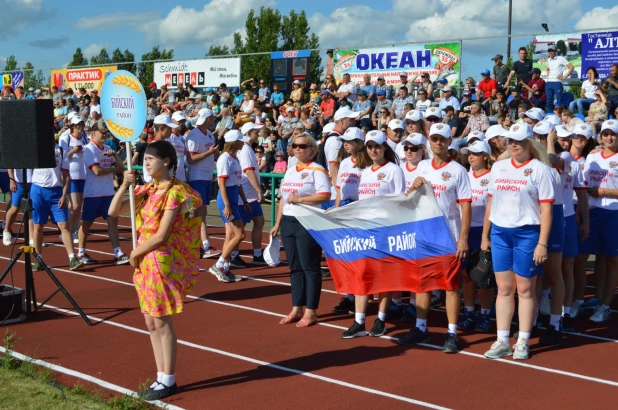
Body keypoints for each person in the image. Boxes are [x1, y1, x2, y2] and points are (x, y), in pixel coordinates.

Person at [108, 140, 203, 400]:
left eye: (151, 159)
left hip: (161, 260)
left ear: (167, 162)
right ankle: (160, 376)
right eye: (145, 159)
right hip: (144, 260)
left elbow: (162, 235)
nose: (146, 163)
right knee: (150, 321)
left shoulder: (176, 193)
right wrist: (125, 185)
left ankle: (169, 379)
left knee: (161, 320)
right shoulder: (145, 190)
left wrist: (136, 252)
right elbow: (113, 211)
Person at [481, 123, 554, 361]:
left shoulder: (540, 169)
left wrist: (542, 243)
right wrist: (485, 234)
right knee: (503, 288)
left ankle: (522, 339)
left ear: (530, 143)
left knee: (524, 289)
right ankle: (502, 340)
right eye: (510, 140)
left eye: (519, 141)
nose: (513, 144)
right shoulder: (499, 167)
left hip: (528, 233)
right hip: (500, 232)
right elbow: (491, 202)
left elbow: (546, 209)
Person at [398, 123, 472, 353]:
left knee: (451, 286)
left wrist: (463, 238)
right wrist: (413, 188)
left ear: (450, 142)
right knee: (422, 283)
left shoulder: (459, 171)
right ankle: (421, 327)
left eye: (443, 139)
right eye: (435, 139)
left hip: (448, 235)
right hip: (424, 234)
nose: (438, 143)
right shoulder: (421, 166)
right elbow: (410, 200)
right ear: (429, 142)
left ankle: (451, 332)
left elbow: (466, 207)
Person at [341, 130, 405, 339]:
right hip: (364, 230)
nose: (373, 150)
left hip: (385, 231)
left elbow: (400, 203)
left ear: (385, 147)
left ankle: (380, 319)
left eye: (377, 146)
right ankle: (359, 321)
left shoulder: (394, 170)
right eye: (370, 147)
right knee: (362, 274)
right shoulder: (365, 172)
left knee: (383, 276)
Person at [271, 133, 331, 328]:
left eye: (302, 146)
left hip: (308, 221)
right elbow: (283, 197)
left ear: (311, 149)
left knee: (309, 266)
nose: (298, 149)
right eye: (295, 146)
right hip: (289, 221)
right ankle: (297, 307)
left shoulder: (317, 169)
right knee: (294, 267)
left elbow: (325, 195)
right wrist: (277, 222)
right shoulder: (290, 170)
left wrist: (301, 200)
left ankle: (311, 311)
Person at [576, 120, 618, 324]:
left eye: (614, 134)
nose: (609, 138)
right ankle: (579, 300)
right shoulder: (592, 157)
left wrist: (604, 191)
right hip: (591, 213)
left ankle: (605, 306)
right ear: (600, 136)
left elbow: (600, 189)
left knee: (611, 260)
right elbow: (583, 184)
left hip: (613, 214)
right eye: (606, 134)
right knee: (581, 259)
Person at [551, 123, 590, 332]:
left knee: (566, 269)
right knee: (544, 272)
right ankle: (545, 310)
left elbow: (582, 194)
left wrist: (585, 222)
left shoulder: (568, 160)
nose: (565, 143)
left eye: (568, 139)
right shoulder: (538, 160)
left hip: (565, 219)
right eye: (561, 138)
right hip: (543, 220)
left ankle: (564, 313)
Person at [77, 119, 128, 265]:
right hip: (93, 194)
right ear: (93, 132)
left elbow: (121, 167)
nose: (105, 134)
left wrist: (116, 156)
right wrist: (115, 169)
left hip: (107, 194)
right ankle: (81, 252)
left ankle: (118, 252)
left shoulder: (107, 148)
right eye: (102, 132)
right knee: (86, 224)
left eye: (106, 132)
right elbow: (97, 171)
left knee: (113, 221)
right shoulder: (89, 149)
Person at [457, 140, 494, 332]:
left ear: (485, 156)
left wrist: (485, 236)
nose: (471, 156)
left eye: (476, 153)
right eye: (469, 153)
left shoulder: (492, 176)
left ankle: (486, 314)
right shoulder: (465, 176)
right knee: (467, 275)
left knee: (484, 276)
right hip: (466, 230)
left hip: (484, 231)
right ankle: (469, 312)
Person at [30, 144, 83, 271]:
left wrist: (64, 195)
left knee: (64, 225)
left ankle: (72, 258)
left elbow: (66, 175)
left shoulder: (60, 150)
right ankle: (39, 259)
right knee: (38, 226)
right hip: (38, 190)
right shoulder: (36, 149)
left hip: (56, 192)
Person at [209, 130, 251, 282]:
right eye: (241, 141)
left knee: (232, 235)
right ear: (234, 142)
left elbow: (238, 183)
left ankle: (225, 268)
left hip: (233, 198)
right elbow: (222, 184)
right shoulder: (224, 159)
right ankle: (219, 264)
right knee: (240, 234)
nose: (243, 143)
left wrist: (244, 201)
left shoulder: (235, 158)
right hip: (227, 200)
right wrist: (227, 205)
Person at [185, 108, 221, 259]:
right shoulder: (193, 135)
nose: (213, 119)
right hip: (197, 177)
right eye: (212, 117)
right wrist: (210, 153)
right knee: (199, 213)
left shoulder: (210, 134)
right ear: (207, 119)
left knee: (202, 213)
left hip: (206, 177)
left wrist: (218, 154)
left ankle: (202, 244)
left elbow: (213, 155)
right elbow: (191, 159)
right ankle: (198, 244)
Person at [235, 122, 267, 267]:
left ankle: (257, 254)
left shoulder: (247, 148)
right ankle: (234, 255)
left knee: (259, 221)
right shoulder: (246, 149)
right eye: (256, 132)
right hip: (247, 194)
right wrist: (259, 191)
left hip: (250, 193)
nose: (258, 134)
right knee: (240, 227)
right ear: (249, 133)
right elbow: (248, 171)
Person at [545, 45, 574, 113]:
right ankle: (550, 115)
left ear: (555, 51)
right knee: (549, 101)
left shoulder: (560, 58)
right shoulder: (548, 60)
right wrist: (549, 76)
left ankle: (562, 117)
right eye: (549, 51)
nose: (550, 52)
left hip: (557, 82)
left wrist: (564, 77)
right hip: (549, 83)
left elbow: (571, 67)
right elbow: (547, 69)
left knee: (560, 101)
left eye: (552, 50)